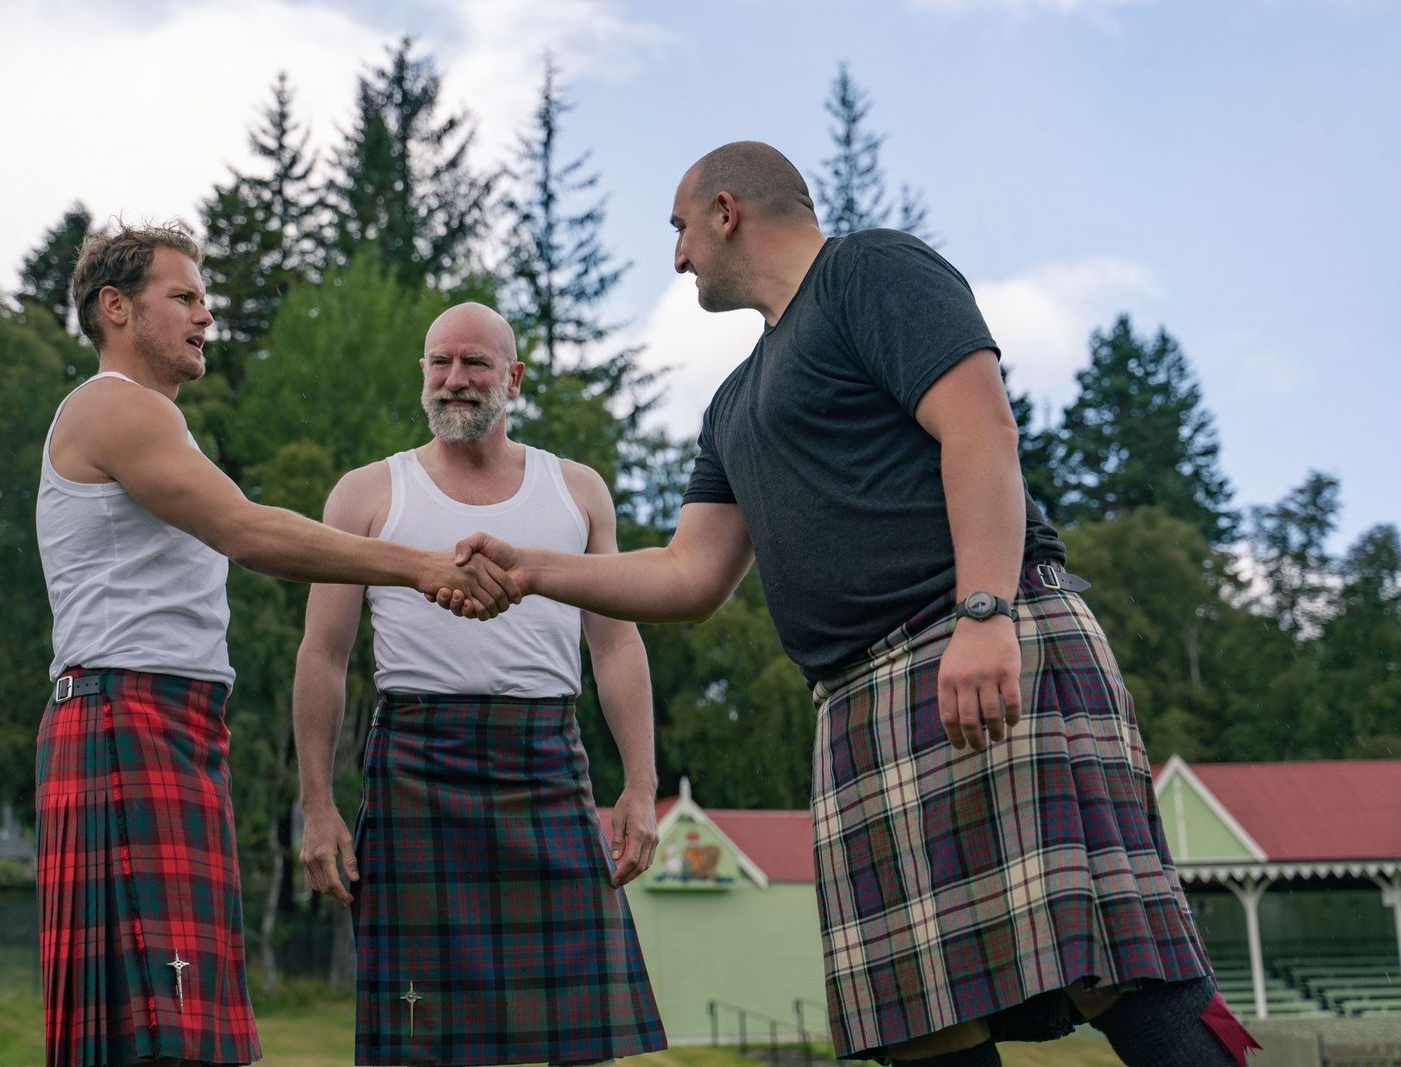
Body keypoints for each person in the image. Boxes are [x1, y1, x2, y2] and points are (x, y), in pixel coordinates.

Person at [451, 143, 1260, 1067]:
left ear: (726, 210)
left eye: (679, 230)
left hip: (975, 638)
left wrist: (986, 611)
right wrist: (533, 570)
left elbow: (981, 426)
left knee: (1113, 959)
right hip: (854, 703)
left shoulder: (868, 270)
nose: (675, 259)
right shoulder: (732, 404)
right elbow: (688, 575)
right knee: (917, 1015)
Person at [34, 224, 518, 1067]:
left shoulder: (153, 420)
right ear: (115, 307)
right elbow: (249, 530)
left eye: (205, 298)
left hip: (161, 722)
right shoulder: (113, 404)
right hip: (125, 720)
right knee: (166, 1038)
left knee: (183, 1031)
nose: (206, 315)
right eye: (183, 296)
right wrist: (422, 565)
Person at [293, 302, 667, 1067]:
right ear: (422, 374)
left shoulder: (578, 490)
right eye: (439, 363)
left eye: (474, 364)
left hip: (545, 764)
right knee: (419, 1041)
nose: (454, 380)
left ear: (514, 379)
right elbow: (322, 655)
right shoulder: (365, 494)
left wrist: (640, 784)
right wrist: (318, 805)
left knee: (580, 1037)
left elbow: (616, 641)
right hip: (414, 767)